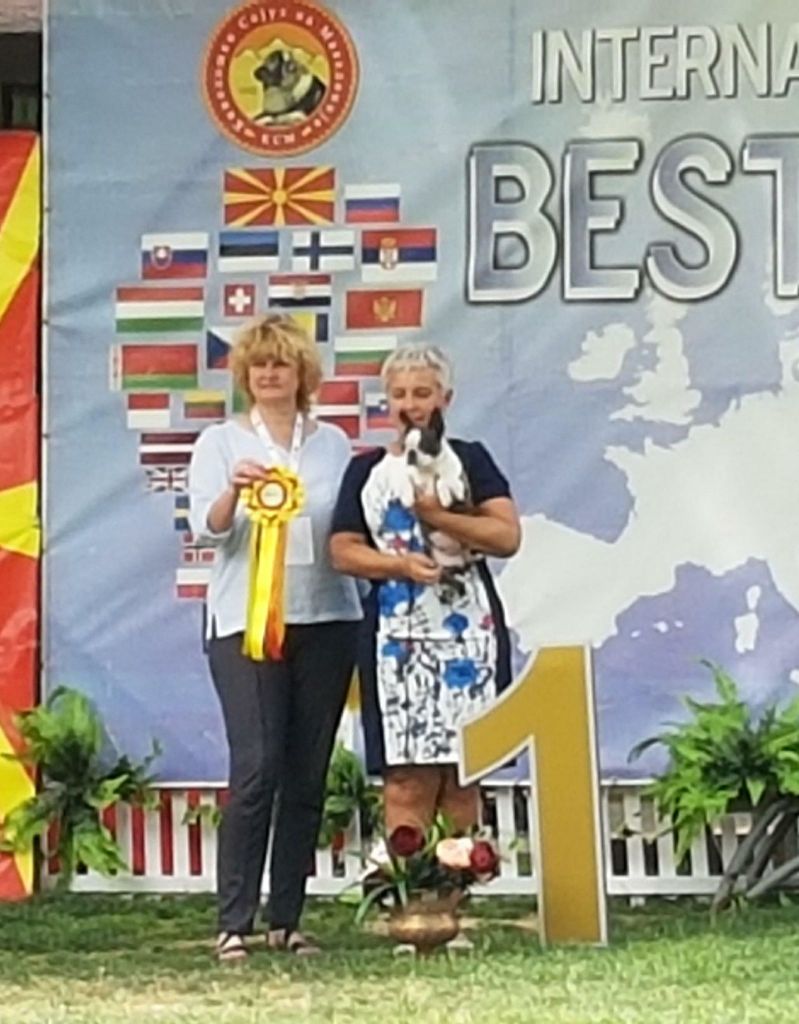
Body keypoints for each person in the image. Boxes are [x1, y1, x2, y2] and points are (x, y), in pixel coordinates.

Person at [188, 314, 362, 961]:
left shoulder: (333, 443)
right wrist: (232, 496)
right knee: (257, 765)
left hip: (328, 616)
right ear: (244, 375)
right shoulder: (220, 443)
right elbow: (206, 530)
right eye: (258, 365)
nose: (268, 374)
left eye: (280, 364)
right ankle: (233, 920)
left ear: (301, 374)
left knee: (306, 773)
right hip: (246, 622)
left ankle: (286, 919)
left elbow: (349, 524)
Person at [330, 343, 520, 838]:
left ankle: (459, 880)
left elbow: (506, 536)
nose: (410, 404)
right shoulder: (366, 469)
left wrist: (438, 517)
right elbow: (343, 550)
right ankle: (410, 884)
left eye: (422, 393)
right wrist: (399, 565)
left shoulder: (471, 460)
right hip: (396, 637)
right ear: (387, 402)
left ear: (445, 398)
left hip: (468, 632)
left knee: (462, 777)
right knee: (404, 781)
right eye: (399, 395)